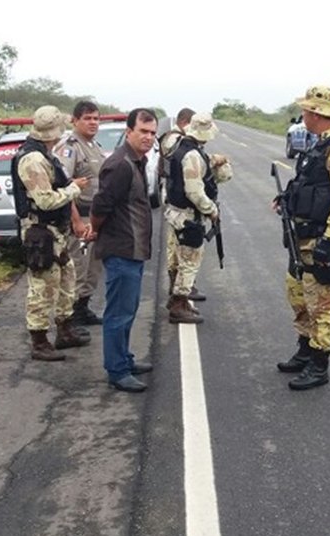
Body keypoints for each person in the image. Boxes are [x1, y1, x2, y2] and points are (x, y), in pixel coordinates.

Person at [275, 86, 330, 390]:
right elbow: (308, 182)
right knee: (298, 295)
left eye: (306, 111)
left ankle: (319, 363)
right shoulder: (320, 144)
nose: (303, 116)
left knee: (321, 303)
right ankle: (304, 349)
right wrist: (287, 197)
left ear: (317, 114)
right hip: (301, 236)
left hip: (320, 239)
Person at [12, 105, 92, 361]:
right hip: (41, 232)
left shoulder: (45, 154)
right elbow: (45, 200)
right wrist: (74, 189)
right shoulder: (32, 159)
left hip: (56, 232)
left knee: (66, 280)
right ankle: (39, 341)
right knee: (41, 287)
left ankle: (65, 330)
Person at [90, 108, 157, 392]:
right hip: (121, 249)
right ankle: (117, 370)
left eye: (153, 133)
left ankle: (125, 359)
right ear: (129, 131)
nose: (148, 137)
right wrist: (95, 228)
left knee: (128, 310)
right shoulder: (120, 165)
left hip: (134, 249)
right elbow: (100, 206)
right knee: (118, 313)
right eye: (143, 131)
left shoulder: (137, 161)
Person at [162, 113, 233, 324]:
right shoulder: (191, 154)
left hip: (177, 211)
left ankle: (179, 301)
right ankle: (178, 302)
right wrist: (211, 209)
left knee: (180, 258)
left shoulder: (180, 147)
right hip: (187, 215)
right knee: (190, 260)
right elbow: (194, 191)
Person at [57, 101, 107, 329]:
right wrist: (75, 220)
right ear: (75, 120)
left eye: (96, 118)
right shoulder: (70, 147)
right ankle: (69, 317)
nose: (93, 122)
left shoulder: (93, 145)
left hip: (95, 218)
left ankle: (83, 308)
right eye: (87, 118)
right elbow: (63, 186)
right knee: (78, 268)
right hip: (80, 216)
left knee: (92, 268)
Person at [158, 108, 200, 301]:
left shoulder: (177, 139)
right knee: (177, 247)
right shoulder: (174, 139)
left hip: (176, 197)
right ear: (185, 122)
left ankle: (182, 285)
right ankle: (178, 288)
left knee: (177, 246)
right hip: (177, 201)